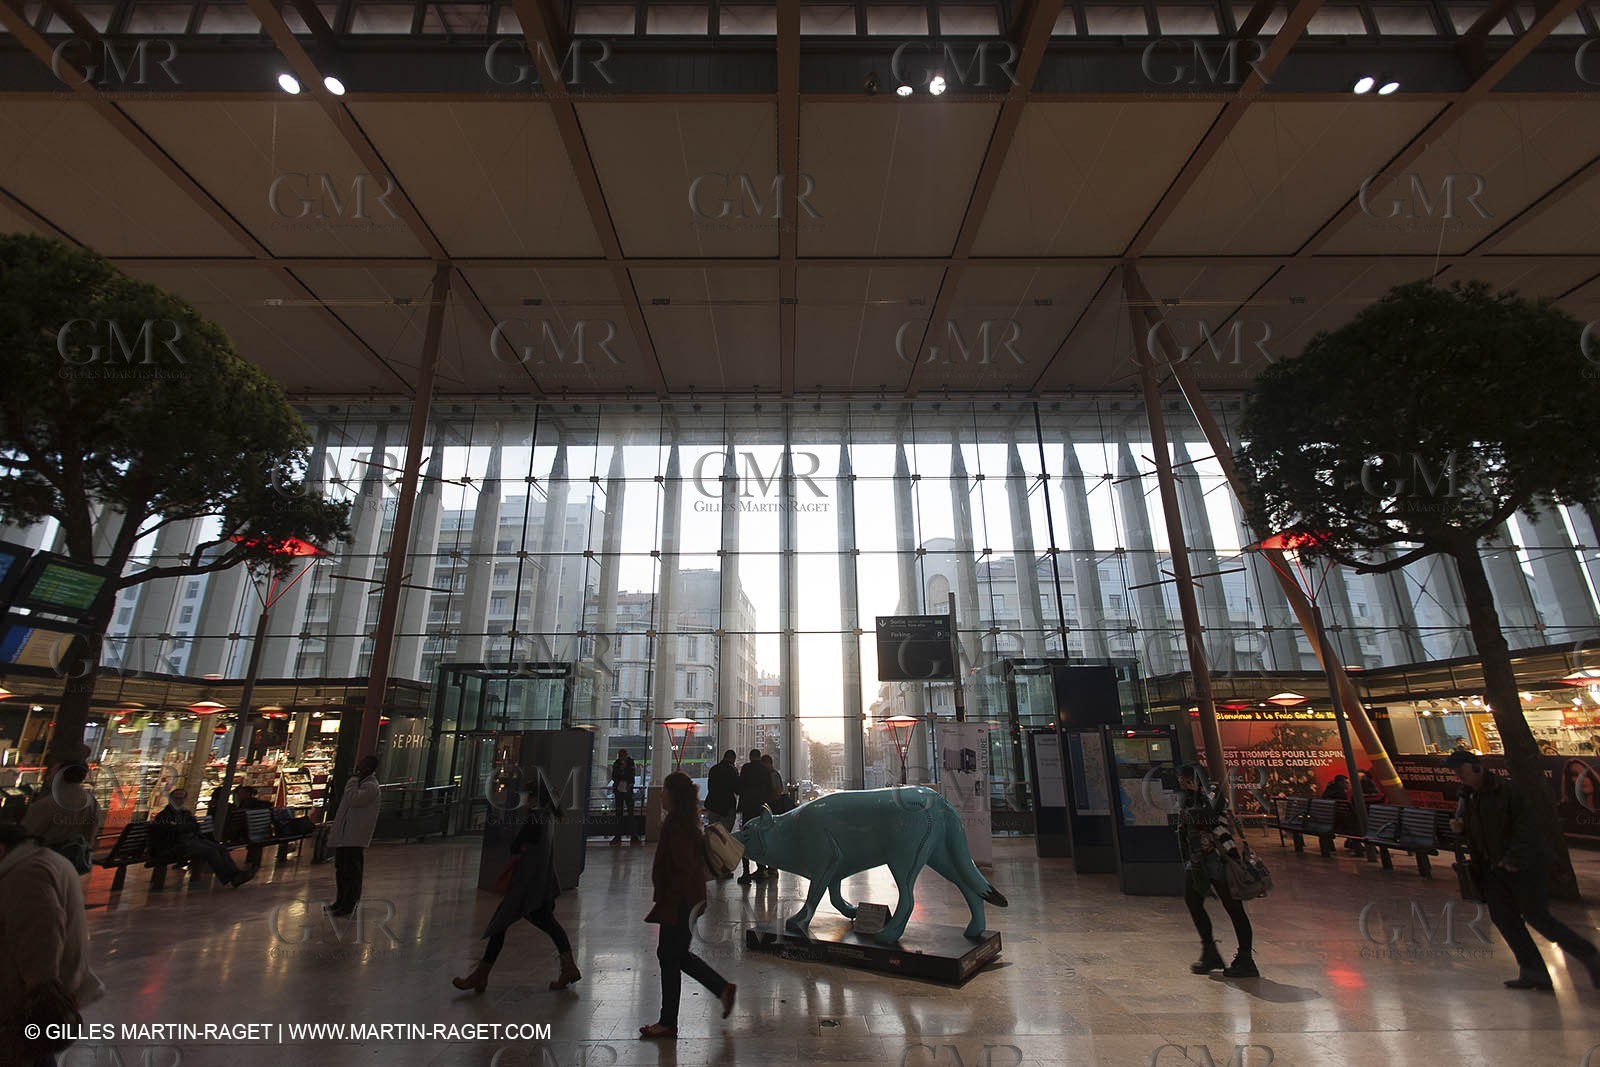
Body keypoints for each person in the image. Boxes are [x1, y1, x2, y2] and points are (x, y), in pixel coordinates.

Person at [1447, 750, 1600, 991]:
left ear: (1475, 767)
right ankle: (1533, 971)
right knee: (1504, 918)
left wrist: (1513, 858)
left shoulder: (1506, 791)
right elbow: (1479, 831)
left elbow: (1526, 827)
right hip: (1492, 867)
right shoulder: (1468, 796)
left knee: (1537, 917)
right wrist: (1460, 828)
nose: (1458, 777)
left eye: (1460, 772)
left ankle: (1589, 955)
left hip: (1523, 866)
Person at [454, 780, 580, 994]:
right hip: (537, 886)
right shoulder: (547, 817)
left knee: (500, 926)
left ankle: (480, 975)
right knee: (544, 925)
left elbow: (515, 846)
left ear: (534, 798)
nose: (523, 801)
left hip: (526, 887)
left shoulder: (535, 819)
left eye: (526, 796)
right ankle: (568, 967)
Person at [0, 823, 105, 1067]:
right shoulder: (44, 860)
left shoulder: (25, 875)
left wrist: (41, 992)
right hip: (39, 995)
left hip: (22, 1001)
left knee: (26, 1053)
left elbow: (40, 937)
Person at [640, 772, 735, 1040]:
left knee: (670, 956)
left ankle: (668, 1022)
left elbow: (682, 867)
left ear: (673, 794)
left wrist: (671, 899)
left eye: (664, 790)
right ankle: (722, 989)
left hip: (679, 900)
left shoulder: (675, 825)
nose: (660, 794)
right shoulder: (684, 822)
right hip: (687, 899)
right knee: (675, 955)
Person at [1176, 764, 1257, 979]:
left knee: (1233, 906)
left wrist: (1196, 794)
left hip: (1219, 858)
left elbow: (1207, 816)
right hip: (1197, 860)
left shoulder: (1212, 792)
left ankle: (1246, 958)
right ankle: (1209, 950)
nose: (1180, 783)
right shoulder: (1187, 796)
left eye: (1182, 779)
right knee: (1192, 900)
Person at [149, 788, 253, 888]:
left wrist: (183, 827)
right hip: (179, 844)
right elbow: (172, 830)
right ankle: (230, 877)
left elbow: (192, 826)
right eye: (176, 798)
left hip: (191, 839)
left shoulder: (185, 813)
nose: (179, 801)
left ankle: (235, 874)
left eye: (181, 798)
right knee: (211, 851)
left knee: (220, 848)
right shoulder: (165, 815)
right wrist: (183, 827)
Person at [325, 755, 381, 916]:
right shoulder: (363, 785)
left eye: (362, 765)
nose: (358, 768)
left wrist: (352, 781)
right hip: (346, 834)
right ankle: (340, 900)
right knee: (342, 870)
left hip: (354, 836)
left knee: (351, 871)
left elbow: (353, 800)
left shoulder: (370, 787)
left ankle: (348, 904)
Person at [23, 762, 101, 873]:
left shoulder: (46, 804)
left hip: (44, 862)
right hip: (73, 861)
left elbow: (28, 834)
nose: (47, 775)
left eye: (51, 772)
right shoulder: (91, 801)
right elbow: (91, 833)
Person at [736, 749, 772, 883]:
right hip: (760, 807)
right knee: (760, 836)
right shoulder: (764, 770)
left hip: (747, 807)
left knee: (746, 836)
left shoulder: (746, 768)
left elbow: (740, 787)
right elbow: (769, 788)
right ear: (759, 757)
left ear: (750, 757)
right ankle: (761, 869)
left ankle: (746, 872)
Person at [705, 750, 739, 835]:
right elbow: (736, 789)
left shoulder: (714, 769)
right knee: (725, 834)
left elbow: (710, 787)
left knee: (713, 834)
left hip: (713, 805)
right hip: (727, 806)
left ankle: (713, 847)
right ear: (733, 759)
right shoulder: (732, 770)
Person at [610, 749, 639, 846]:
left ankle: (620, 836)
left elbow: (615, 776)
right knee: (628, 813)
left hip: (622, 790)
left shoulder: (617, 764)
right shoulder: (629, 763)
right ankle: (632, 835)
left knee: (621, 813)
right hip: (626, 790)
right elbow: (628, 775)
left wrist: (621, 778)